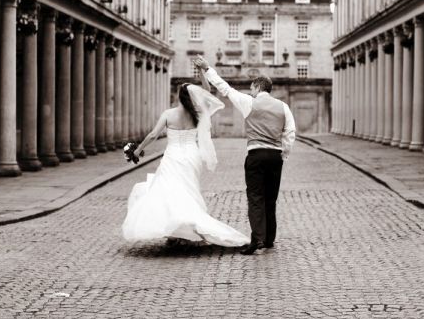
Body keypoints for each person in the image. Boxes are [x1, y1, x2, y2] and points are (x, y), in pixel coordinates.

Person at [121, 80, 249, 247]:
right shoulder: (198, 113)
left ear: (178, 97)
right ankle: (180, 231)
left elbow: (153, 135)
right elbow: (208, 92)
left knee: (170, 190)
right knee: (188, 190)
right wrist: (203, 72)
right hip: (191, 156)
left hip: (173, 155)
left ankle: (175, 232)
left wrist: (138, 150)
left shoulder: (168, 114)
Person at [192, 56, 296, 255]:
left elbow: (225, 88)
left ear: (257, 87)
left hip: (256, 154)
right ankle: (269, 239)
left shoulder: (249, 102)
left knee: (255, 197)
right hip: (275, 156)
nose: (251, 91)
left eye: (252, 88)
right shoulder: (283, 107)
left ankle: (257, 239)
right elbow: (290, 133)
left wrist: (207, 69)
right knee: (270, 198)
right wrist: (283, 154)